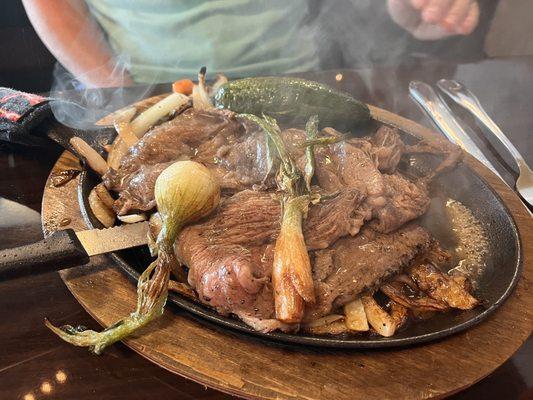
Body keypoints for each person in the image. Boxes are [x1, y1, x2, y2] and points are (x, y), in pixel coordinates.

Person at [23, 0, 489, 88]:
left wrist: (410, 12)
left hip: (299, 81)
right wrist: (114, 88)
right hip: (153, 85)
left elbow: (373, 16)